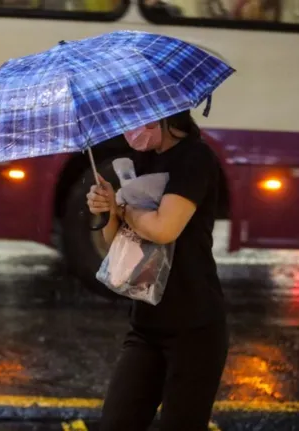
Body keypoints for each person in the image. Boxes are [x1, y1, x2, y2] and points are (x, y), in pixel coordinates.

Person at [86, 110, 228, 431]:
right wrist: (108, 210)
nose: (129, 128)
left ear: (161, 114)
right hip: (146, 326)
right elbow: (117, 243)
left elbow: (164, 229)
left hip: (194, 328)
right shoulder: (142, 160)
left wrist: (122, 207)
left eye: (135, 114)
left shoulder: (195, 159)